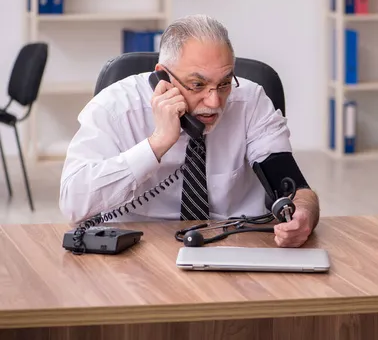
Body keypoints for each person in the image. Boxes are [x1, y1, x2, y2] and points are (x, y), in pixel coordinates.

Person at [59, 14, 320, 248]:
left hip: (235, 243)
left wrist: (304, 214)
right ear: (163, 77)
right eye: (197, 84)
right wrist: (157, 144)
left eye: (225, 83)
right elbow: (73, 204)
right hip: (139, 249)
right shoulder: (116, 108)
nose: (214, 102)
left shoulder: (250, 102)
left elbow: (294, 186)